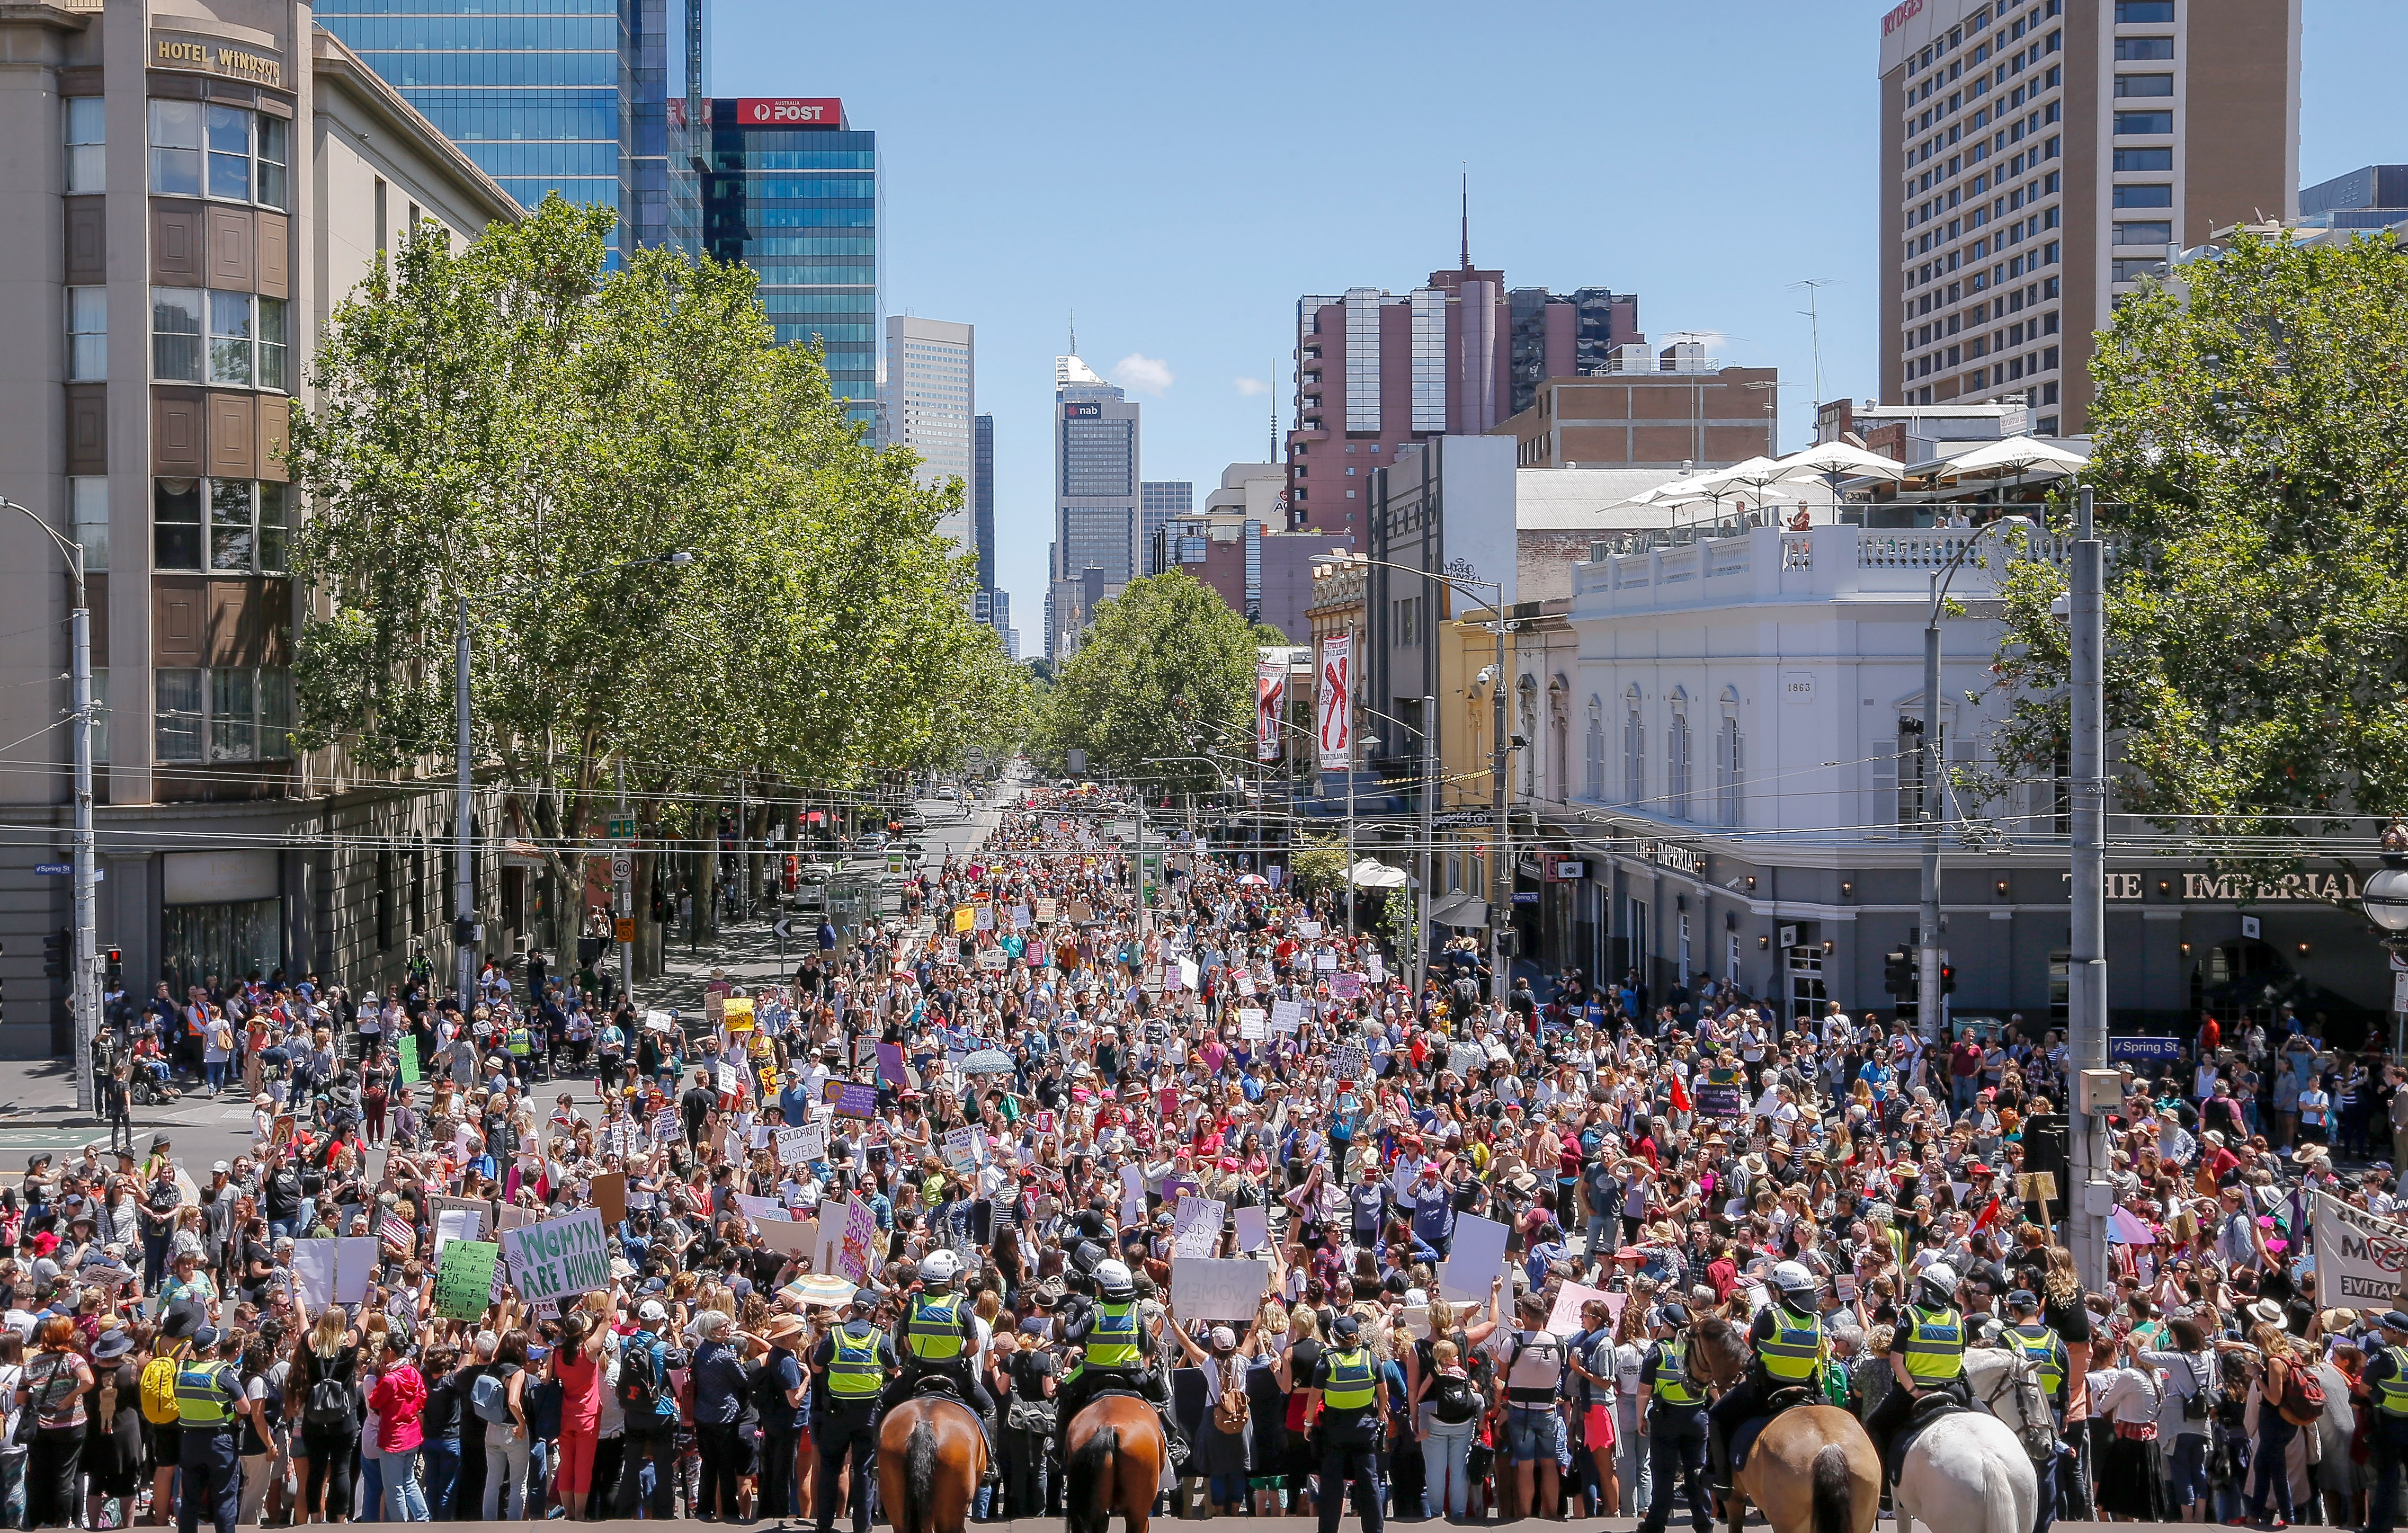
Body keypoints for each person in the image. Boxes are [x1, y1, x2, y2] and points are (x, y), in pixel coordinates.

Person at [1051, 1259, 1191, 1475]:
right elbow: (1145, 1344)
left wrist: (1070, 1315)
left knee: (1065, 1397)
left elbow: (1070, 1337)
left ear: (1106, 1287)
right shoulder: (1135, 1311)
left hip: (1092, 1372)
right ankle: (1173, 1443)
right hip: (1133, 1373)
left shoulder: (1094, 1311)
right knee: (1163, 1398)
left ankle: (1059, 1450)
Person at [881, 1250, 1002, 1484]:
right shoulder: (961, 1306)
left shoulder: (913, 1304)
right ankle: (990, 1465)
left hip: (917, 1370)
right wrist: (958, 1353)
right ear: (949, 1279)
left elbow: (906, 1343)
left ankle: (877, 1461)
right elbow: (974, 1347)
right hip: (955, 1373)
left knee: (883, 1403)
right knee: (988, 1408)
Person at [1707, 1259, 1824, 1495]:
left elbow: (1754, 1344)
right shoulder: (1817, 1320)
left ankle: (1721, 1480)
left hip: (1766, 1389)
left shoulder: (1771, 1315)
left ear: (1782, 1291)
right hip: (1807, 1389)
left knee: (1717, 1416)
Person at [1862, 1261, 1970, 1486]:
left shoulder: (1911, 1315)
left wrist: (1912, 1390)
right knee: (1989, 1419)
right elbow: (1960, 1356)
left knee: (1875, 1425)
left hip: (1914, 1392)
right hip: (1952, 1389)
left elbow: (1896, 1360)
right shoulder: (1957, 1319)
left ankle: (1882, 1489)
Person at [811, 1288, 896, 1533]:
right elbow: (893, 1370)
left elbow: (817, 1367)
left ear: (853, 1308)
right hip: (867, 1413)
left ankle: (824, 1525)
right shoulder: (879, 1338)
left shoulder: (835, 1335)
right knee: (864, 1470)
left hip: (837, 1411)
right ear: (871, 1313)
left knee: (830, 1467)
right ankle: (862, 1526)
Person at [1301, 1312, 1387, 1533]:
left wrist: (1309, 1424)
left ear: (1335, 1338)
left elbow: (1313, 1397)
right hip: (1365, 1430)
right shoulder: (1371, 1359)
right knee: (1369, 1483)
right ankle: (1375, 1530)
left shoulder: (1327, 1362)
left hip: (1335, 1432)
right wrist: (1380, 1416)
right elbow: (1383, 1393)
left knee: (1332, 1486)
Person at [1637, 1300, 1714, 1533]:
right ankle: (1703, 1522)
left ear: (1667, 1326)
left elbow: (1643, 1392)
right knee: (1697, 1472)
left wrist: (1640, 1418)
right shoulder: (1697, 1349)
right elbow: (1712, 1386)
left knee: (1663, 1473)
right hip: (1696, 1417)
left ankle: (1656, 1523)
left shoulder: (1657, 1350)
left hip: (1666, 1417)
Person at [173, 1324, 257, 1533]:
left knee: (190, 1500)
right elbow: (245, 1408)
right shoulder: (222, 1373)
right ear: (212, 1349)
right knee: (224, 1499)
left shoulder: (182, 1371)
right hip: (220, 1442)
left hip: (190, 1441)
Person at [2360, 1309, 2408, 1533]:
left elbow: (2363, 1388)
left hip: (2388, 1426)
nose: (2381, 1331)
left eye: (2384, 1328)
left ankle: (2381, 1528)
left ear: (2396, 1333)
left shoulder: (2383, 1358)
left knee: (2388, 1478)